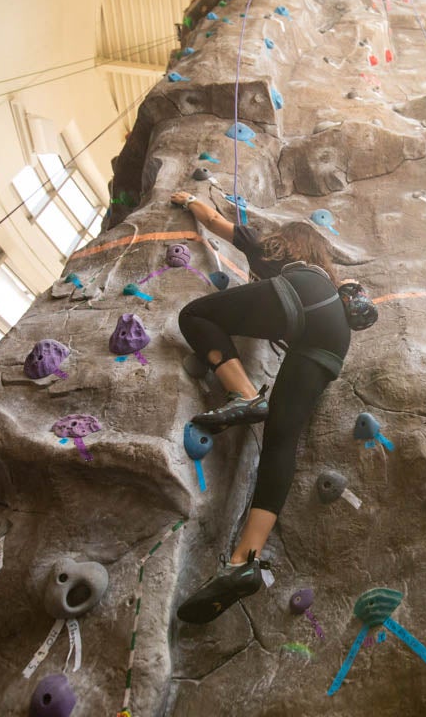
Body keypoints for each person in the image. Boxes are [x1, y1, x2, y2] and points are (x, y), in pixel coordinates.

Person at [170, 189, 352, 624]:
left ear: (285, 241)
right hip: (333, 334)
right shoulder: (329, 275)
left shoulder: (270, 249)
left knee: (195, 315)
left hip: (298, 297)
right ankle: (243, 561)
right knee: (280, 443)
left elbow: (213, 221)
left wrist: (190, 198)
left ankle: (246, 394)